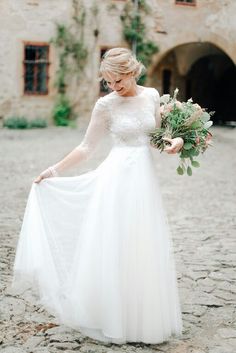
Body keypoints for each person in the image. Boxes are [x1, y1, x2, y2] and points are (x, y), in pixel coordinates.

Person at [12, 47, 184, 344]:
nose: (114, 88)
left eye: (119, 81)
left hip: (143, 182)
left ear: (133, 72)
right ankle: (110, 315)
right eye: (108, 82)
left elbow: (156, 140)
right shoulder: (105, 105)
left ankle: (141, 319)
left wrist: (177, 141)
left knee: (142, 243)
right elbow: (86, 148)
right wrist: (52, 171)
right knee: (113, 244)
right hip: (114, 181)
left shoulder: (152, 96)